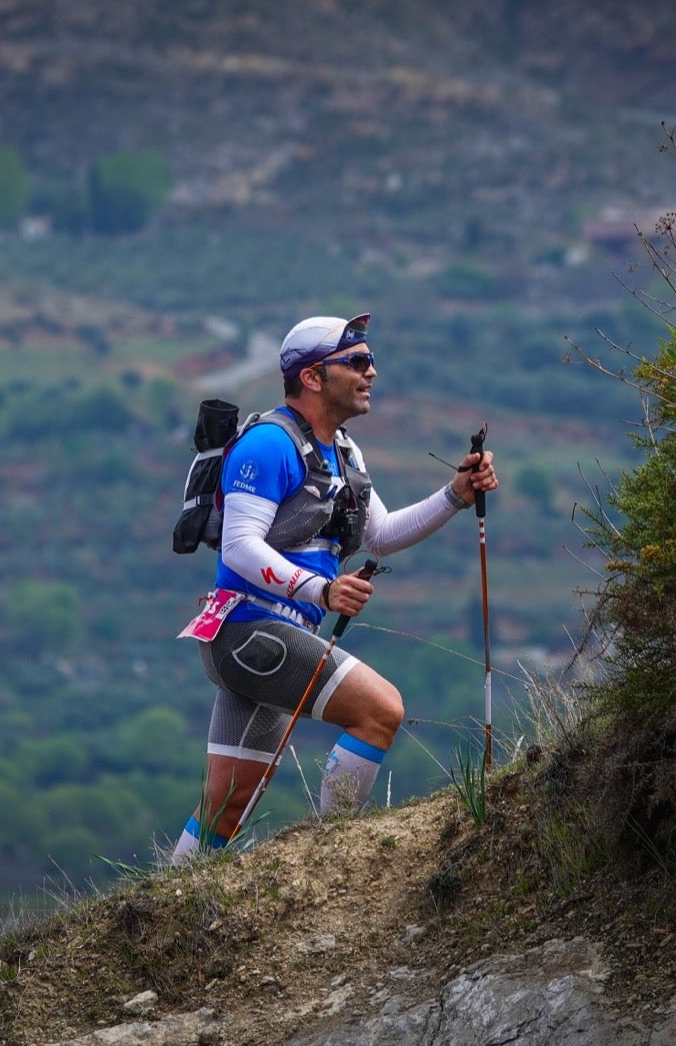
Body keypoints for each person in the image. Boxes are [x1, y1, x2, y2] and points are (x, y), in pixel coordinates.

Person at [170, 311, 498, 861]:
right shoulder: (268, 445)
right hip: (251, 632)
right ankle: (334, 855)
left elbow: (383, 535)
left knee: (228, 803)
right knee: (380, 711)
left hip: (263, 638)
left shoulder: (342, 451)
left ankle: (163, 913)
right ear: (312, 377)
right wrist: (319, 593)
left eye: (370, 361)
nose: (372, 372)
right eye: (358, 362)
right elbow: (239, 547)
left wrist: (456, 494)